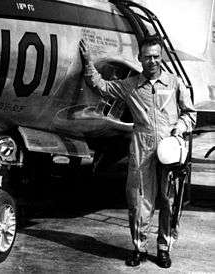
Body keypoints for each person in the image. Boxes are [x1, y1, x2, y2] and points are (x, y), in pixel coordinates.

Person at [79, 35, 196, 268]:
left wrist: (179, 129)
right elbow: (101, 86)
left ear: (160, 57)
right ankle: (139, 248)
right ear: (139, 58)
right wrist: (88, 62)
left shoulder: (174, 83)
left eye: (156, 56)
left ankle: (164, 248)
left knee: (169, 200)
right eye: (147, 57)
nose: (152, 61)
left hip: (170, 148)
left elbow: (189, 113)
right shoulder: (130, 85)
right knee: (139, 200)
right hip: (141, 147)